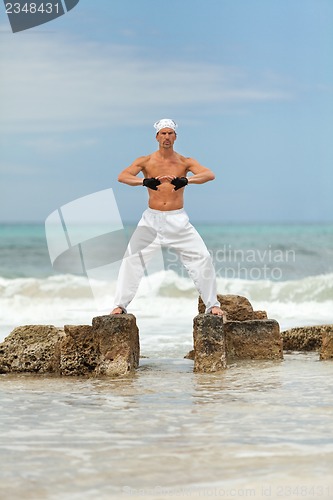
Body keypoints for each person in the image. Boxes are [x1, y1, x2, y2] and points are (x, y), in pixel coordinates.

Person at [111, 118, 224, 316]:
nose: (166, 137)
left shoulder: (184, 161)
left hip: (178, 220)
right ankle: (120, 305)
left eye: (170, 133)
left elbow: (209, 174)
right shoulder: (146, 160)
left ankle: (213, 305)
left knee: (202, 258)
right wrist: (144, 182)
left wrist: (185, 180)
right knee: (131, 259)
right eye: (163, 133)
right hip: (151, 221)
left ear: (175, 137)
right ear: (156, 136)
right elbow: (122, 176)